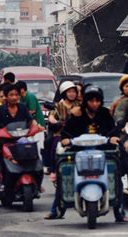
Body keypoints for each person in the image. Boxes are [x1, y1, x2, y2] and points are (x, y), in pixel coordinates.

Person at [61, 86, 128, 223]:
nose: (95, 104)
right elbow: (66, 132)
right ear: (85, 101)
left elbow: (113, 130)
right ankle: (56, 208)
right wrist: (66, 140)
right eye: (91, 101)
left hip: (103, 150)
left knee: (116, 175)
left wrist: (114, 137)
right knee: (62, 170)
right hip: (79, 151)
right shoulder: (77, 114)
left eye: (98, 101)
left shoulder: (104, 113)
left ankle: (119, 211)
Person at [0, 84, 41, 196]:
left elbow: (31, 121)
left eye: (16, 95)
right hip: (3, 140)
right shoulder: (0, 109)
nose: (14, 97)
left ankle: (36, 181)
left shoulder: (22, 107)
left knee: (34, 155)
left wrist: (37, 127)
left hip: (21, 140)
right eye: (11, 95)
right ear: (6, 96)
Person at [44, 81, 81, 220]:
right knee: (62, 176)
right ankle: (52, 168)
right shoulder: (59, 105)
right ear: (64, 93)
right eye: (69, 91)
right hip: (62, 137)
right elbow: (52, 117)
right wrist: (55, 122)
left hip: (78, 140)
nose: (72, 94)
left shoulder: (79, 106)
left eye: (74, 91)